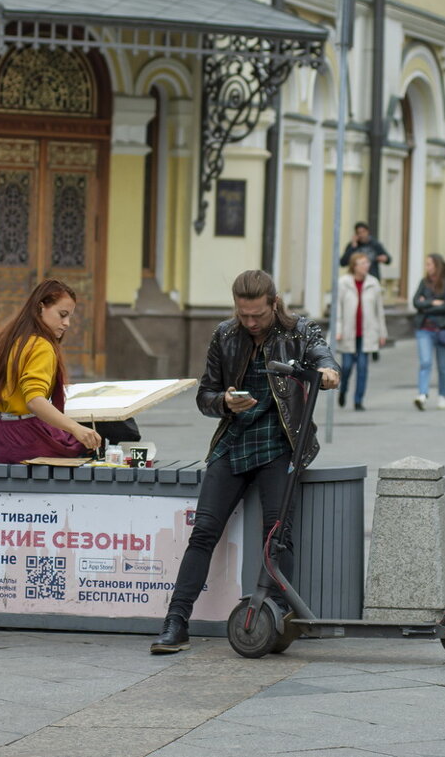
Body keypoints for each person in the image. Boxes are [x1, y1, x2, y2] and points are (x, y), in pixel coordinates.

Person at [150, 269, 339, 654]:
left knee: (277, 536)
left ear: (274, 303)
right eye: (243, 315)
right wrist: (224, 402)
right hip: (234, 441)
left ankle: (277, 620)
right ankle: (176, 622)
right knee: (203, 532)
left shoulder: (297, 330)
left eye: (258, 315)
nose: (250, 323)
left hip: (281, 443)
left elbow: (322, 353)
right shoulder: (225, 334)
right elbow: (205, 395)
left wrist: (328, 370)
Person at [0, 279, 109, 463]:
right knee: (100, 439)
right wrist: (76, 428)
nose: (67, 323)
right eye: (62, 315)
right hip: (28, 439)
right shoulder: (40, 346)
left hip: (0, 438)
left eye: (69, 316)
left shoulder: (2, 342)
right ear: (41, 307)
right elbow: (34, 401)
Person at [335, 253, 387, 411]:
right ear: (354, 266)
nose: (366, 266)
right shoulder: (343, 283)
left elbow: (379, 310)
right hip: (348, 332)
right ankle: (343, 391)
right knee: (347, 367)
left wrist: (382, 333)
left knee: (363, 367)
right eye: (362, 263)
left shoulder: (373, 283)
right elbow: (338, 309)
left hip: (367, 333)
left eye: (367, 263)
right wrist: (338, 330)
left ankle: (358, 400)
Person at [412, 253, 445, 411]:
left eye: (429, 264)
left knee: (443, 366)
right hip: (424, 329)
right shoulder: (424, 283)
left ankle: (443, 397)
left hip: (443, 329)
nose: (427, 267)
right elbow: (415, 302)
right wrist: (433, 302)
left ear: (437, 266)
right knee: (425, 362)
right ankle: (422, 395)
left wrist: (426, 304)